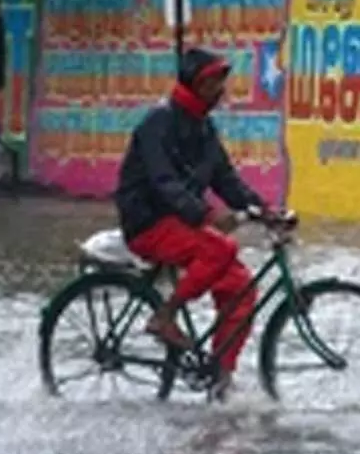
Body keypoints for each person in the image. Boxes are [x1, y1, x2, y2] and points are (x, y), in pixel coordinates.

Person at [114, 47, 267, 396]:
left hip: (183, 224)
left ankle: (220, 378)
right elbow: (163, 182)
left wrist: (266, 210)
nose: (221, 90)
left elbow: (227, 180)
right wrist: (207, 214)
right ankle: (165, 316)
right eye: (214, 82)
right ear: (197, 84)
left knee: (240, 286)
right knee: (219, 247)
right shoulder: (158, 123)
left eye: (222, 82)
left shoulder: (204, 129)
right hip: (148, 222)